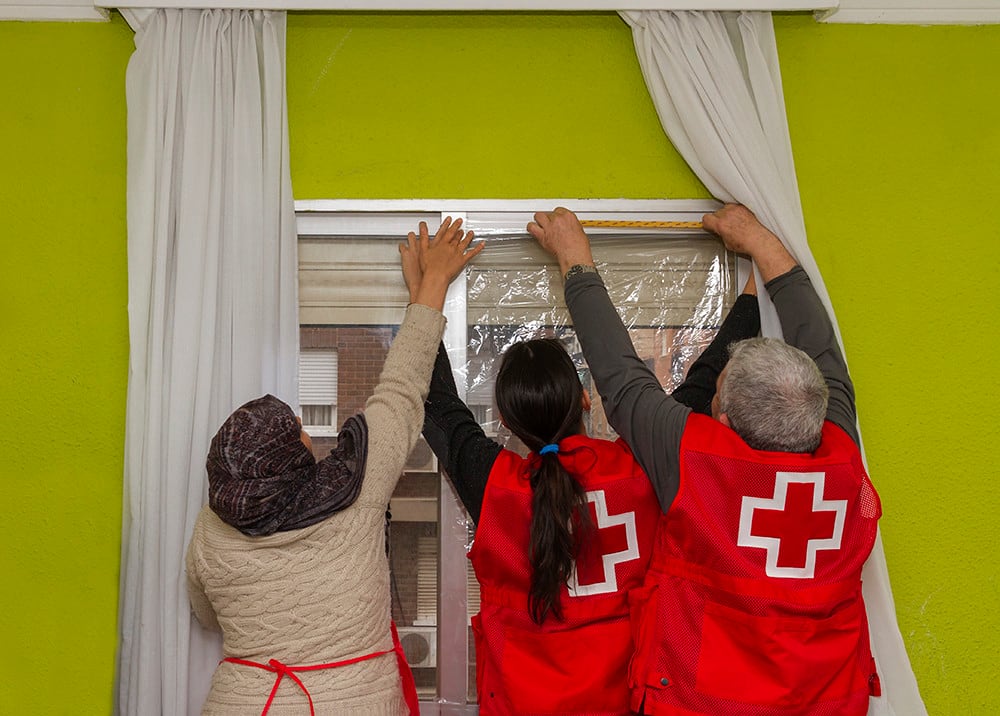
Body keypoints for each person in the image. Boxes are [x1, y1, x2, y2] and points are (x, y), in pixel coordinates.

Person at [527, 205, 882, 716]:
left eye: (714, 396)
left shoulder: (695, 461)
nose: (709, 400)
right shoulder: (840, 450)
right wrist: (762, 244)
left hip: (702, 701)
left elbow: (621, 381)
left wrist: (574, 260)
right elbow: (825, 354)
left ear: (729, 424)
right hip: (825, 699)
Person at [419, 257, 759, 715]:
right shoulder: (641, 468)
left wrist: (427, 290)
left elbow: (436, 402)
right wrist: (756, 293)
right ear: (584, 399)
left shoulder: (496, 487)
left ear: (504, 420)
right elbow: (701, 386)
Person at [185, 218, 483, 716]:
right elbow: (401, 390)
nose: (304, 427)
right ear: (285, 457)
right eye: (294, 428)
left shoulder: (210, 532)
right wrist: (430, 288)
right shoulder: (353, 491)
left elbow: (207, 616)